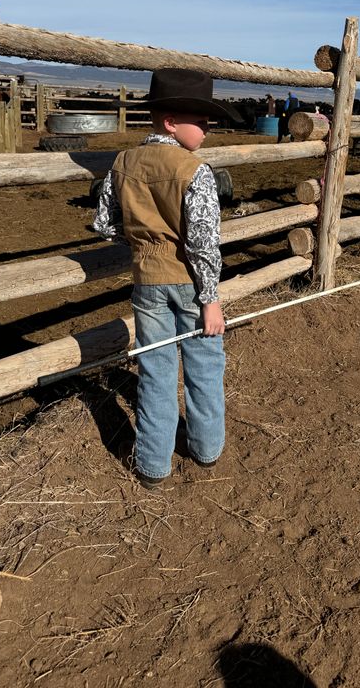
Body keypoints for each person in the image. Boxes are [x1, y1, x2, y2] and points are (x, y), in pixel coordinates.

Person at [93, 69, 237, 488]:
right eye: (202, 121)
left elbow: (105, 224)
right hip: (191, 285)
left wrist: (143, 244)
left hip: (146, 284)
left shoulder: (122, 162)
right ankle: (205, 449)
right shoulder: (196, 171)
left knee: (154, 370)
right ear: (171, 122)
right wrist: (210, 299)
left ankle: (153, 466)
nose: (207, 130)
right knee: (204, 366)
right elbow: (204, 244)